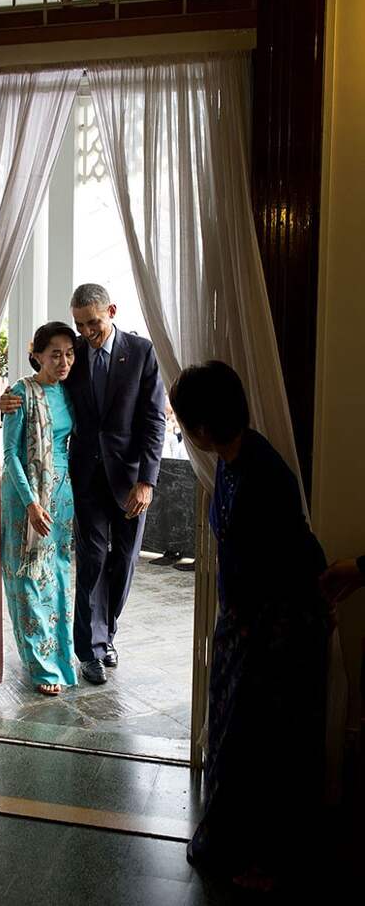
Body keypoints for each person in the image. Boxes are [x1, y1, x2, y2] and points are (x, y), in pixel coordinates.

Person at [169, 360, 329, 892]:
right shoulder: (236, 460)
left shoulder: (260, 473)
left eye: (188, 421)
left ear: (205, 427)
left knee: (262, 744)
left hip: (278, 626)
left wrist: (247, 631)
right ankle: (238, 846)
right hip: (249, 622)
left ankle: (269, 861)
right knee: (237, 736)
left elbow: (280, 567)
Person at [1, 284, 165, 685]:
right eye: (80, 325)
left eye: (93, 323)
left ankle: (107, 633)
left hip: (129, 481)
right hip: (84, 481)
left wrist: (146, 481)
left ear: (111, 311)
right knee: (91, 560)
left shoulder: (142, 352)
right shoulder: (70, 351)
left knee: (124, 561)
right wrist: (8, 398)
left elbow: (154, 420)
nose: (86, 333)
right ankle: (89, 650)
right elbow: (41, 382)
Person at [1, 322, 78, 695]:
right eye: (55, 354)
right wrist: (31, 503)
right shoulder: (20, 393)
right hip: (26, 496)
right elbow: (10, 455)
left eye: (69, 353)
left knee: (59, 575)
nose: (63, 361)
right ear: (36, 355)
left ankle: (63, 658)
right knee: (29, 576)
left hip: (62, 494)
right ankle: (42, 667)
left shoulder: (69, 391)